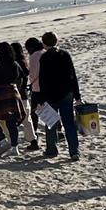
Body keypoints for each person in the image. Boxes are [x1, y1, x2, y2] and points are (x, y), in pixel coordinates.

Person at [36, 29, 82, 161]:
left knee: (51, 122)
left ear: (44, 44)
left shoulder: (44, 58)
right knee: (69, 123)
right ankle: (74, 151)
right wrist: (77, 96)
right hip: (66, 93)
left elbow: (42, 79)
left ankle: (51, 149)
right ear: (57, 41)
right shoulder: (65, 55)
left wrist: (40, 98)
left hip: (50, 94)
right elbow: (73, 76)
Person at [11, 41, 37, 147]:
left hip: (17, 94)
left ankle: (13, 142)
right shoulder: (24, 62)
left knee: (13, 120)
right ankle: (33, 140)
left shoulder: (15, 64)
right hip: (24, 94)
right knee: (27, 119)